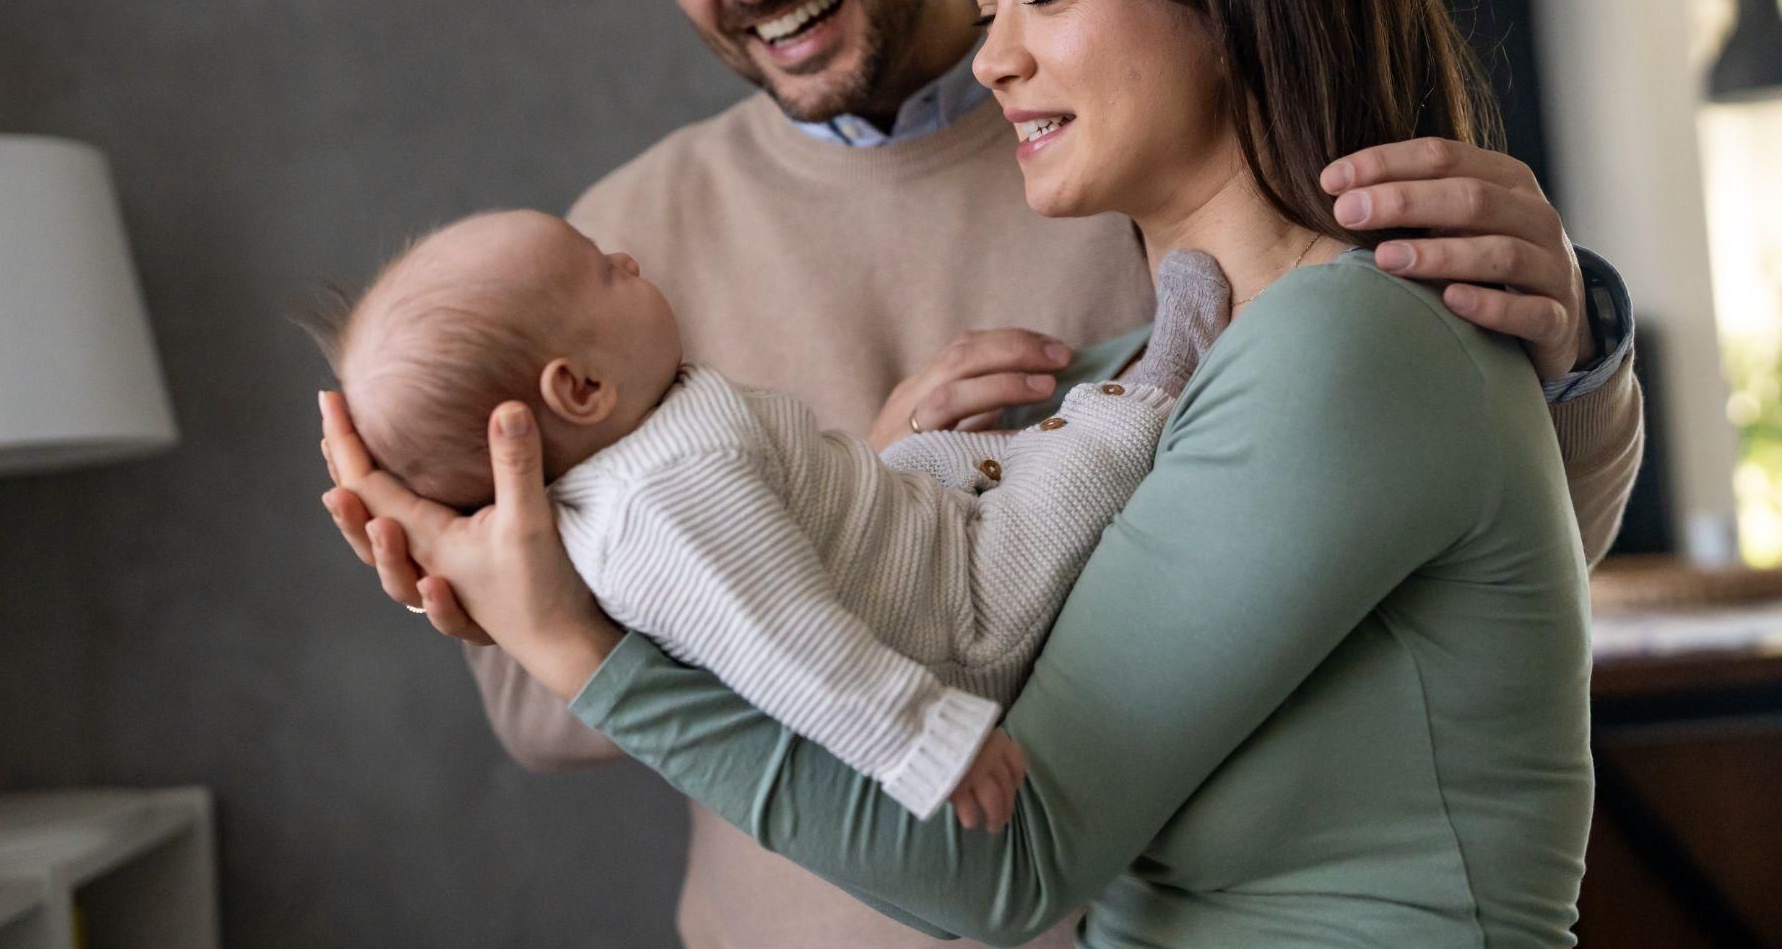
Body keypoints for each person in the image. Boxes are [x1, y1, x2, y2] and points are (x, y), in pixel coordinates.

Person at [322, 0, 1643, 949]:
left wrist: (1565, 349)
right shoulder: (597, 250)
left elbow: (1467, 576)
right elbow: (539, 684)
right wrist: (837, 520)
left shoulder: (1196, 235)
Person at [309, 210, 1229, 824]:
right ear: (581, 388)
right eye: (605, 273)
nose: (629, 258)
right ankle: (1159, 386)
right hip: (965, 618)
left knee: (929, 456)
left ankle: (1078, 422)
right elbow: (780, 641)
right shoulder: (663, 502)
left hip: (914, 529)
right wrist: (924, 737)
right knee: (1071, 474)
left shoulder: (621, 475)